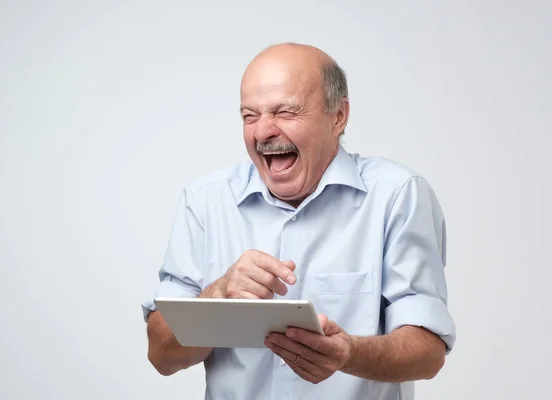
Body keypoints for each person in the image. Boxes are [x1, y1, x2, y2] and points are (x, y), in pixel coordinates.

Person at [141, 42, 456, 400]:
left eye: (284, 112)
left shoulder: (398, 195)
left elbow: (427, 353)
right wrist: (218, 294)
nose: (262, 132)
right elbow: (161, 355)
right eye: (249, 116)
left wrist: (348, 354)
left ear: (338, 116)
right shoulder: (204, 201)